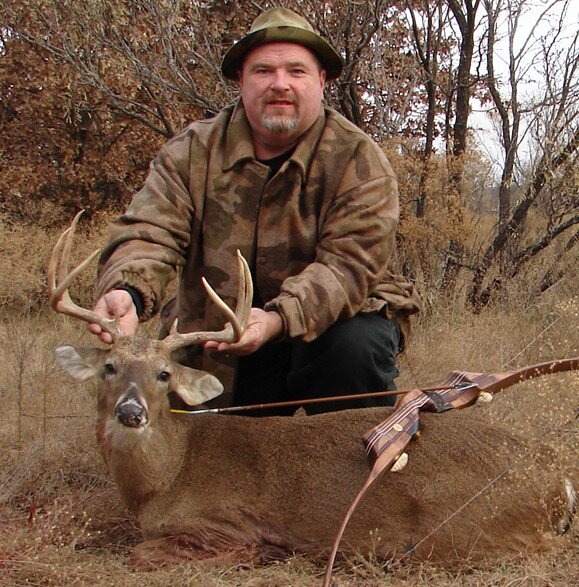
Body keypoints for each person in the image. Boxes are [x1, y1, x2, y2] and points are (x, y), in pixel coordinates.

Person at [89, 7, 420, 415]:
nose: (280, 84)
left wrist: (276, 320)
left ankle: (356, 459)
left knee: (352, 349)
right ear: (241, 81)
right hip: (223, 336)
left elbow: (349, 267)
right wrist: (127, 291)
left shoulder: (359, 160)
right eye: (263, 71)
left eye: (296, 71)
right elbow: (149, 230)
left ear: (321, 81)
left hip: (329, 326)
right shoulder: (191, 152)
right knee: (206, 450)